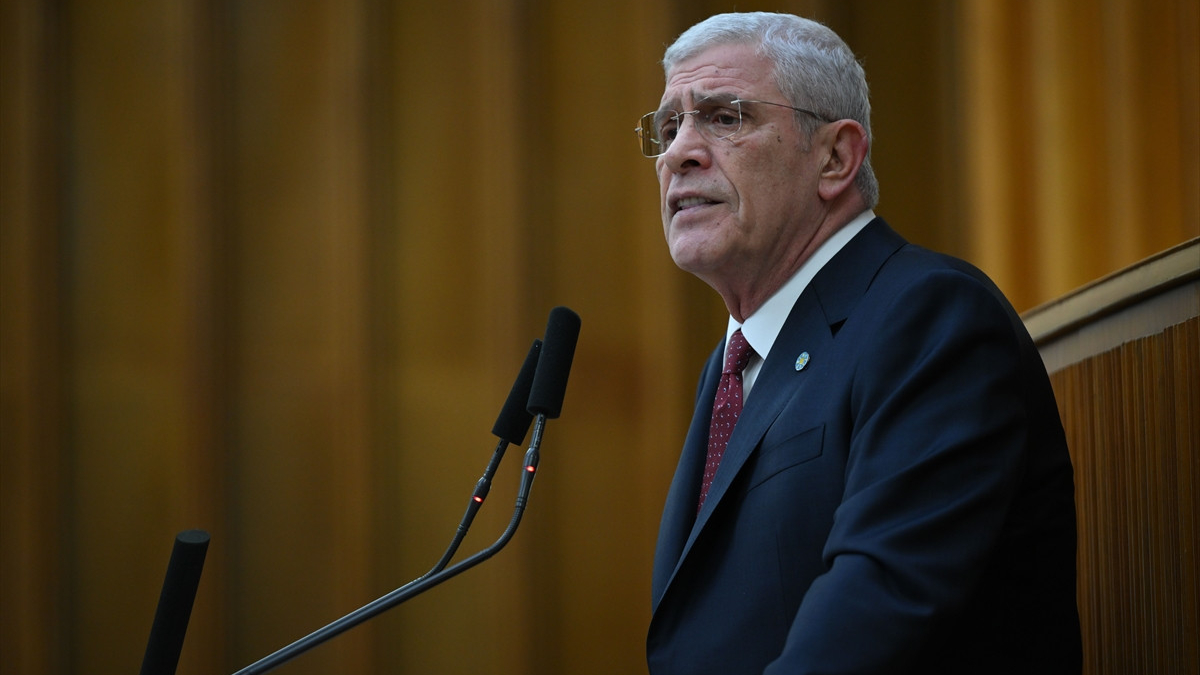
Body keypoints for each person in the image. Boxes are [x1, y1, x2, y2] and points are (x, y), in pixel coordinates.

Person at [639, 12, 1081, 675]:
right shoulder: (732, 366)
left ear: (836, 158)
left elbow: (879, 608)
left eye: (725, 118)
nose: (680, 152)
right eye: (669, 127)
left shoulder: (931, 317)